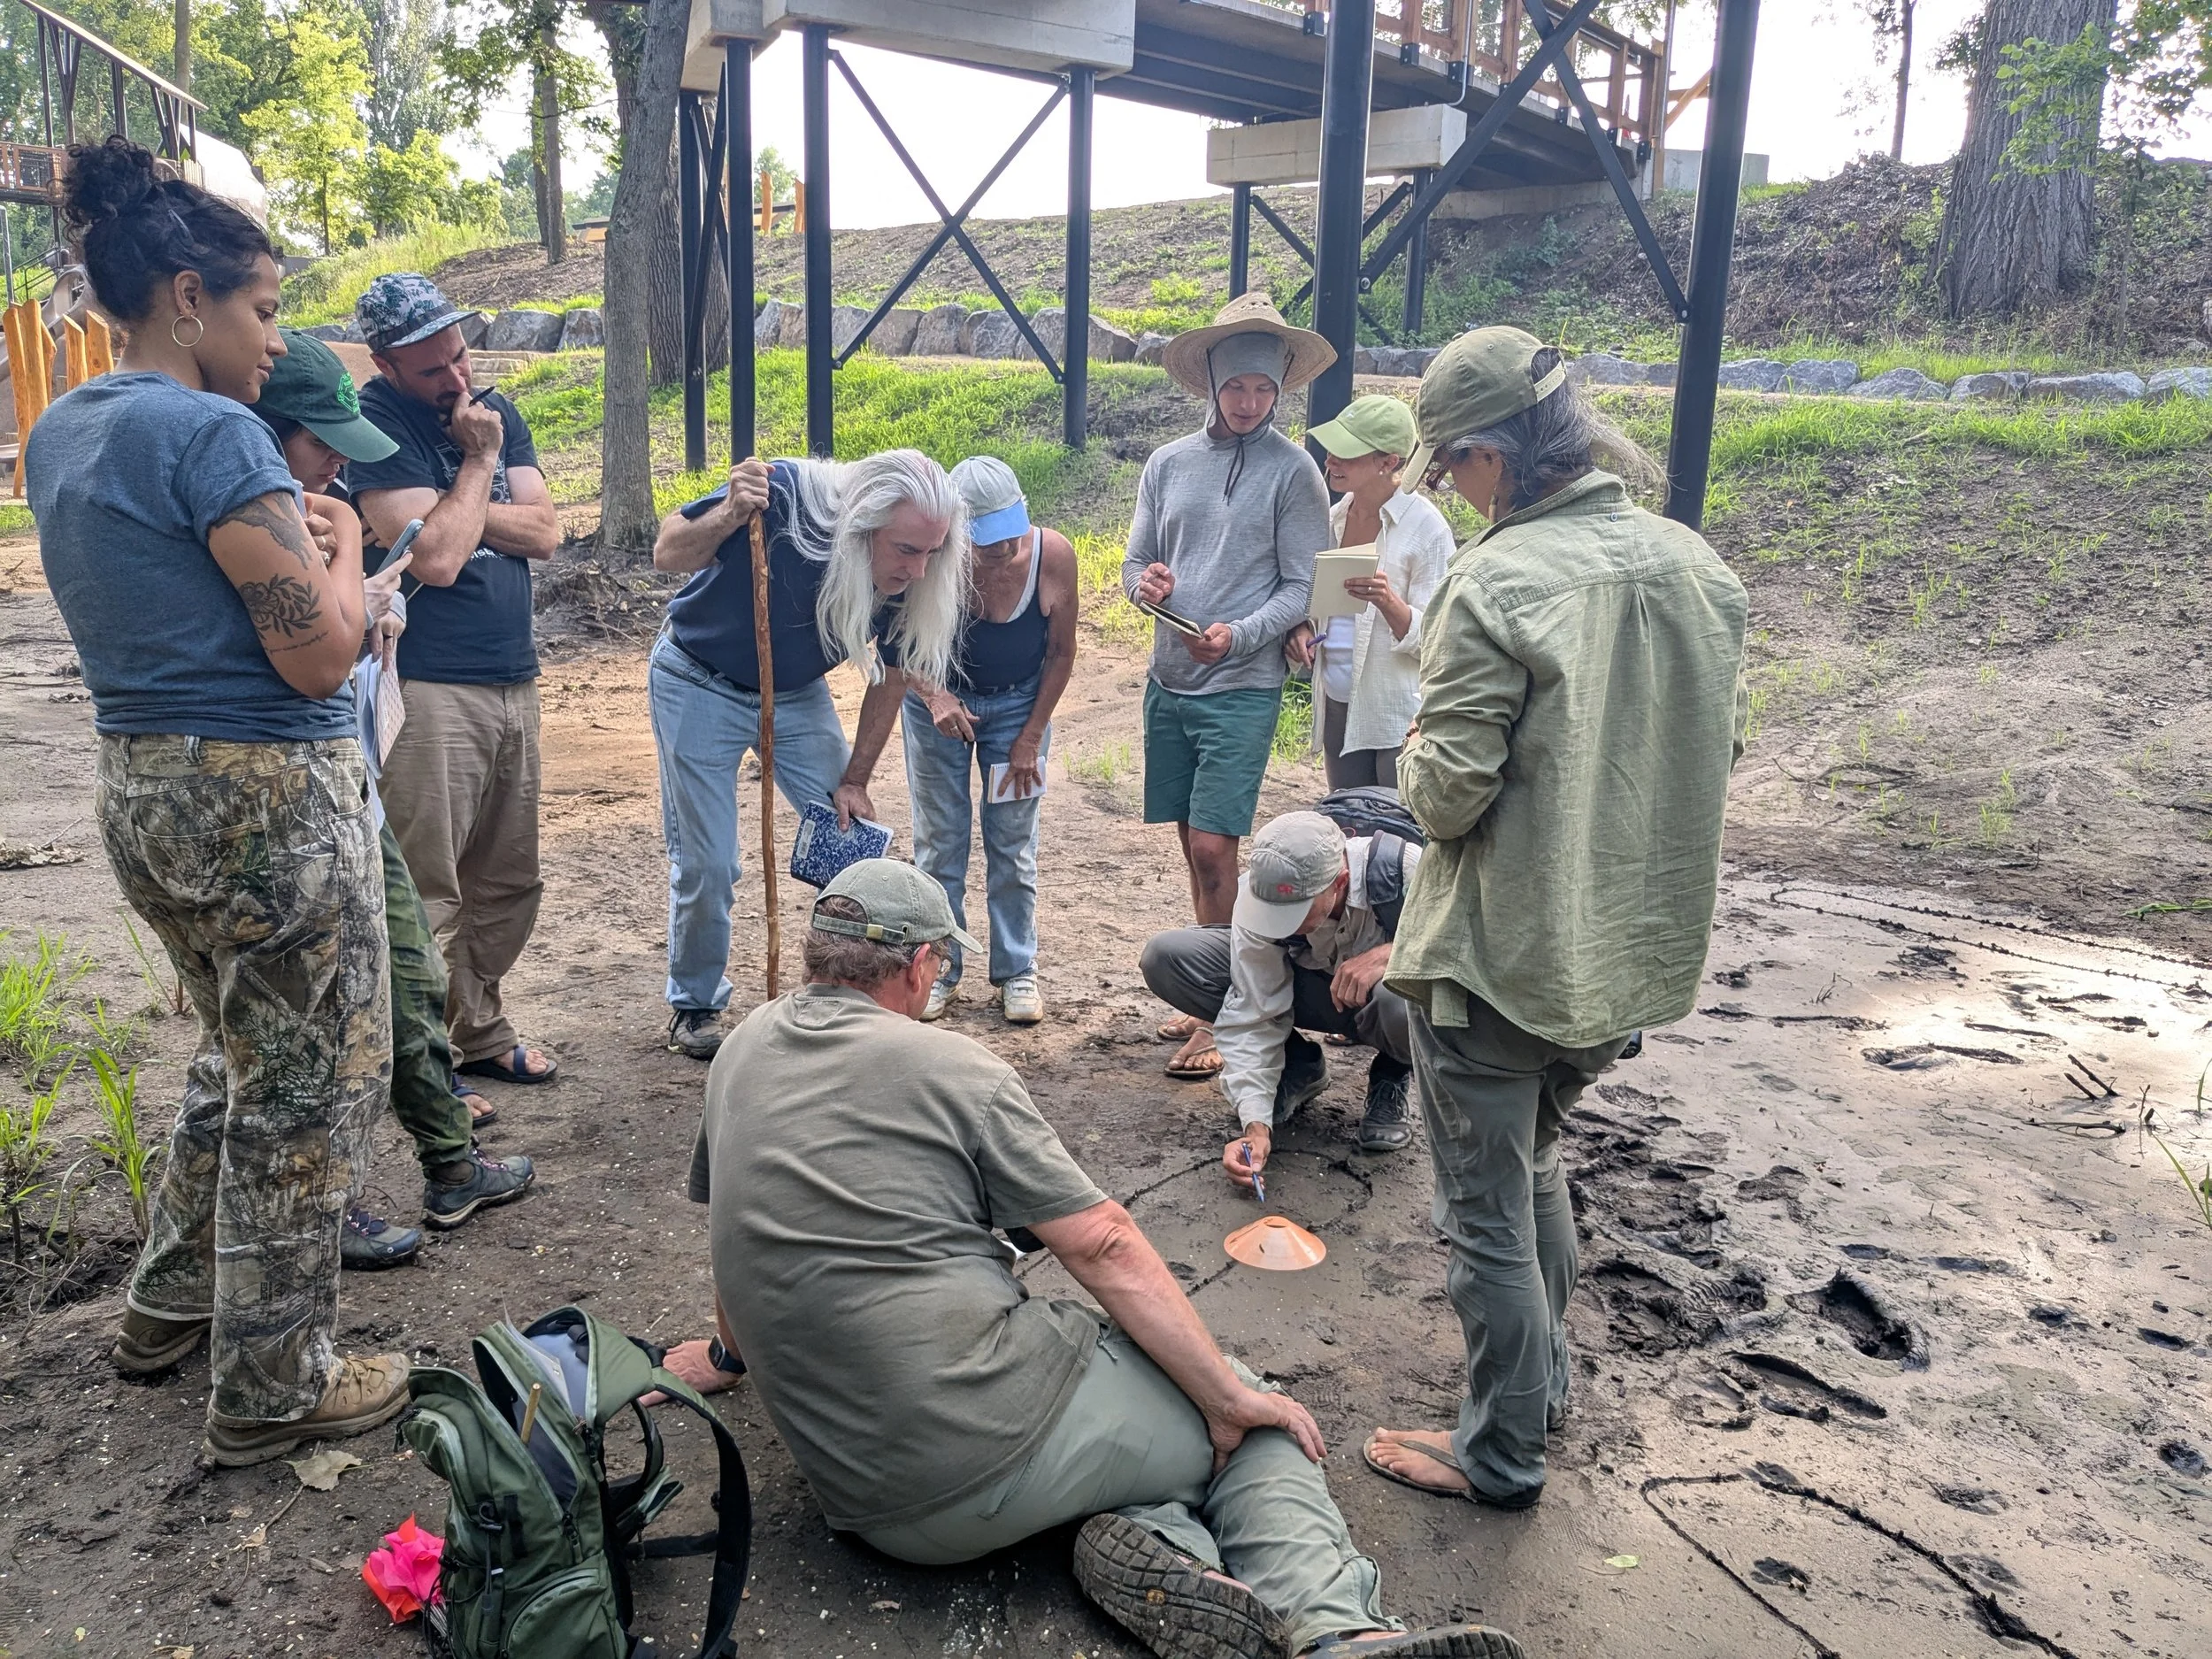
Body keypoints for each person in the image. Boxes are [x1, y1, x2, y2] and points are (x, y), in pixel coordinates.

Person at [685, 858, 1526, 1659]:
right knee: (1255, 1420)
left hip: (855, 1489)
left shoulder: (740, 1052)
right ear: (921, 964)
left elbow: (730, 1222)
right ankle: (1338, 1628)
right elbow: (1104, 1242)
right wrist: (1227, 1397)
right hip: (975, 1449)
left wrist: (727, 1357)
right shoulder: (951, 1067)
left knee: (1141, 1429)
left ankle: (1162, 1550)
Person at [27, 136, 409, 1464]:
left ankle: (169, 1302)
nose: (273, 336)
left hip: (145, 784)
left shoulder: (62, 428)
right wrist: (348, 548)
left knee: (234, 1056)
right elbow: (317, 649)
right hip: (265, 797)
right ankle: (275, 1380)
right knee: (313, 1079)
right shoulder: (212, 430)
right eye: (260, 307)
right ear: (186, 298)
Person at [1363, 327, 1747, 1511]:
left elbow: (1447, 796)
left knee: (1481, 1211)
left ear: (1490, 457)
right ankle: (1546, 1387)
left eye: (1452, 470)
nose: (1455, 494)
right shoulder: (1696, 565)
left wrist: (1420, 743)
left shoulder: (1498, 578)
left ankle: (1501, 1450)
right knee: (1533, 1164)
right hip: (1623, 960)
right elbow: (1712, 751)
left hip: (1500, 956)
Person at [247, 327, 536, 1270]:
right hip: (293, 785)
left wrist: (363, 569)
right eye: (320, 442)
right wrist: (351, 564)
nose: (335, 464)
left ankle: (449, 1163)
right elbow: (355, 621)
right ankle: (326, 1207)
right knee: (335, 1004)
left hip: (347, 766)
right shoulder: (268, 512)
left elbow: (540, 528)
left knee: (412, 970)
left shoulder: (311, 501)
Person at [647, 449, 968, 1058]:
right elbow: (668, 552)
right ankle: (695, 1004)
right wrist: (727, 515)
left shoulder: (913, 576)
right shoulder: (784, 498)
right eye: (906, 549)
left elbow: (892, 674)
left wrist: (854, 778)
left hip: (793, 693)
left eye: (933, 551)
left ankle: (860, 994)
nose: (921, 569)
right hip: (696, 677)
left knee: (854, 842)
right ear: (863, 525)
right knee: (710, 860)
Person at [347, 272, 564, 1090]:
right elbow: (434, 559)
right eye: (434, 369)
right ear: (387, 363)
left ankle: (479, 1027)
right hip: (428, 682)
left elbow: (544, 531)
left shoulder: (499, 407)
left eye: (460, 356)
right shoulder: (373, 422)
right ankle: (424, 1066)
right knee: (426, 883)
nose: (457, 380)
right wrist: (478, 466)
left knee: (507, 877)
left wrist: (454, 504)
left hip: (514, 675)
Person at [1121, 294, 1334, 1081]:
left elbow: (1300, 586)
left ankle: (1227, 1010)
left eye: (1264, 389)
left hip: (1242, 682)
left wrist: (1239, 635)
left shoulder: (1294, 473)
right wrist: (1147, 585)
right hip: (1169, 678)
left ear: (1281, 388)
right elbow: (1130, 567)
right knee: (1192, 844)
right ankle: (1208, 976)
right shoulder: (1167, 464)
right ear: (1209, 381)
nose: (1249, 403)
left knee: (1217, 845)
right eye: (1236, 387)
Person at [837, 455, 1075, 1025]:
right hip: (937, 707)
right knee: (941, 843)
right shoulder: (928, 562)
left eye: (1011, 533)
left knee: (1013, 842)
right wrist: (935, 695)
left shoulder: (1053, 556)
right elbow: (895, 649)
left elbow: (1062, 653)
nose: (1004, 550)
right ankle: (941, 966)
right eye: (987, 541)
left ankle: (1017, 969)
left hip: (1020, 706)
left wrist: (1030, 737)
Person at [1141, 810, 1421, 1169]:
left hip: (1387, 1004)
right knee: (1168, 956)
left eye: (1299, 911)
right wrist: (1255, 1125)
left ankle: (1393, 1072)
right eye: (1275, 911)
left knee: (1401, 1000)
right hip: (1318, 995)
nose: (1283, 924)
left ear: (1340, 882)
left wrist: (1395, 954)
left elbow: (1478, 950)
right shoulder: (1259, 894)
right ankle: (1297, 1065)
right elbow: (1254, 1008)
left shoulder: (1409, 869)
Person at [1282, 395, 1453, 789]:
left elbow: (1441, 641)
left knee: (1394, 838)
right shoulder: (1333, 519)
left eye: (1347, 453)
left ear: (1388, 462)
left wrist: (1389, 602)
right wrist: (1302, 632)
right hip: (1337, 700)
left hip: (1397, 710)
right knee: (1348, 825)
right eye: (1331, 449)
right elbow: (1313, 602)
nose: (1330, 460)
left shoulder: (1427, 530)